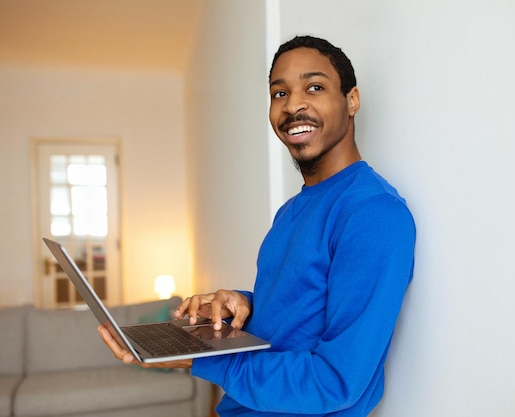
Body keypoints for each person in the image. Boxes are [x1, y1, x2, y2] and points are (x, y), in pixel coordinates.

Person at [99, 35, 416, 417]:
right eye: (279, 93)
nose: (294, 104)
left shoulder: (372, 213)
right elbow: (299, 301)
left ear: (352, 100)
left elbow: (335, 381)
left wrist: (197, 359)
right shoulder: (291, 210)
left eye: (314, 87)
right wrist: (242, 303)